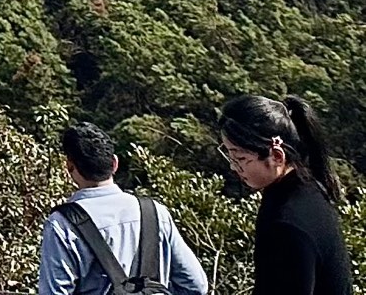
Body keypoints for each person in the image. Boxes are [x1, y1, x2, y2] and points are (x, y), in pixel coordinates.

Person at [37, 120, 207, 295]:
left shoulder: (62, 225)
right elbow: (195, 285)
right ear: (115, 163)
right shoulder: (155, 212)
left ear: (69, 167)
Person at [220, 95, 353, 295]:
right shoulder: (306, 187)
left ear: (276, 156)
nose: (233, 167)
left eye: (240, 158)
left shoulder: (287, 223)